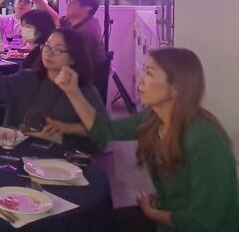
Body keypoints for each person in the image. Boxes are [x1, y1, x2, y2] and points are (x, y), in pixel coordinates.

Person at [49, 48, 238, 232]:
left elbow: (203, 222)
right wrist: (73, 91)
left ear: (175, 88)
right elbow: (105, 129)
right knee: (95, 222)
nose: (140, 80)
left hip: (195, 226)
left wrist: (151, 212)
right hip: (170, 216)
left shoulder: (204, 139)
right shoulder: (154, 119)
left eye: (149, 73)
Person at [0, 28, 106, 151]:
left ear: (73, 58)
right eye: (46, 47)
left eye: (57, 50)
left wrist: (68, 127)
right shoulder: (28, 77)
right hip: (18, 149)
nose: (48, 53)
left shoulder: (83, 89)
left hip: (61, 156)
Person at [30, 0, 108, 102]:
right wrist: (38, 0)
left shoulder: (85, 33)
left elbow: (73, 64)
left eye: (72, 1)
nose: (68, 4)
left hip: (78, 86)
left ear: (87, 8)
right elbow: (55, 18)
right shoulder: (81, 23)